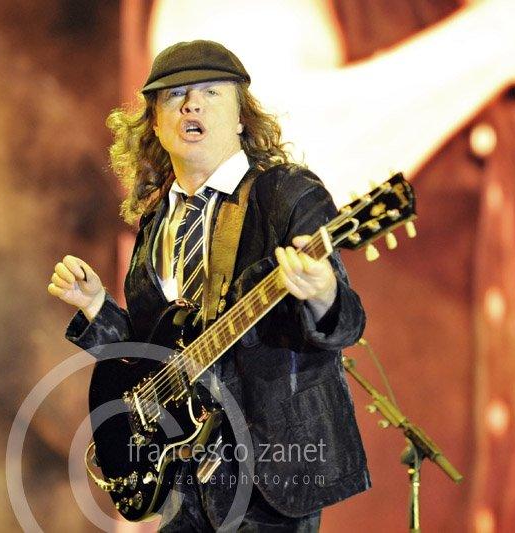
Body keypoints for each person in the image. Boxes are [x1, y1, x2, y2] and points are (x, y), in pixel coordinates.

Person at [48, 40, 369, 532]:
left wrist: (323, 293)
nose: (192, 104)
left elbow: (345, 323)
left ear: (241, 117)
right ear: (156, 124)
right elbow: (152, 355)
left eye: (211, 92)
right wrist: (97, 308)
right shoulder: (157, 221)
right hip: (185, 479)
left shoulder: (285, 193)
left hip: (270, 472)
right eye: (176, 94)